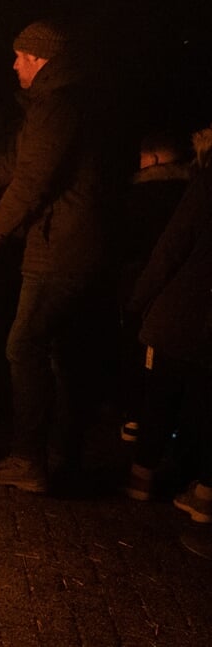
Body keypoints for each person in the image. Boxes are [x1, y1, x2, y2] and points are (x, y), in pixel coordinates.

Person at [0, 20, 121, 493]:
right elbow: (15, 165)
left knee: (23, 345)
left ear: (40, 58)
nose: (13, 64)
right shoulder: (62, 104)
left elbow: (30, 183)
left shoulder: (59, 106)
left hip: (61, 245)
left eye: (20, 56)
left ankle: (29, 459)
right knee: (58, 350)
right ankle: (59, 455)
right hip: (72, 241)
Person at [122, 165, 212, 520]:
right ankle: (206, 491)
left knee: (161, 391)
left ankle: (141, 476)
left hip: (188, 308)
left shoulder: (207, 182)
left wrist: (138, 299)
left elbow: (172, 245)